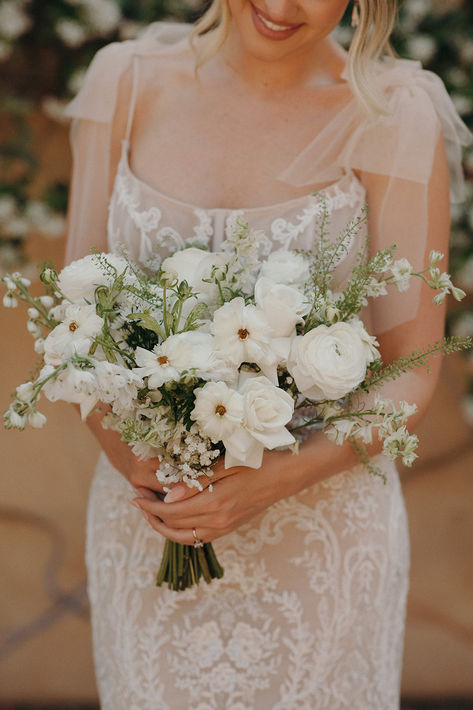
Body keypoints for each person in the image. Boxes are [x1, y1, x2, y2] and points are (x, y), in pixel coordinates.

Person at [63, 1, 471, 708]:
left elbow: (412, 371)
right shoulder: (123, 83)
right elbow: (76, 326)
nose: (285, 5)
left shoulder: (392, 116)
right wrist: (140, 461)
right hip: (150, 518)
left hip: (319, 534)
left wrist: (268, 481)